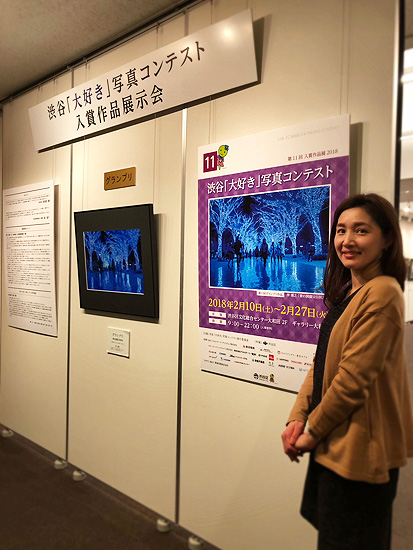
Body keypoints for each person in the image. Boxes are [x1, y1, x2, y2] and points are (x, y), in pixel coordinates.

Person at [281, 193, 413, 549]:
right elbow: (322, 361)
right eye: (341, 230)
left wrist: (311, 432)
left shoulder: (383, 292)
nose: (347, 240)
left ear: (387, 239)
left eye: (361, 230)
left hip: (360, 448)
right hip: (335, 438)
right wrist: (298, 417)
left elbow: (352, 381)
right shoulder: (349, 291)